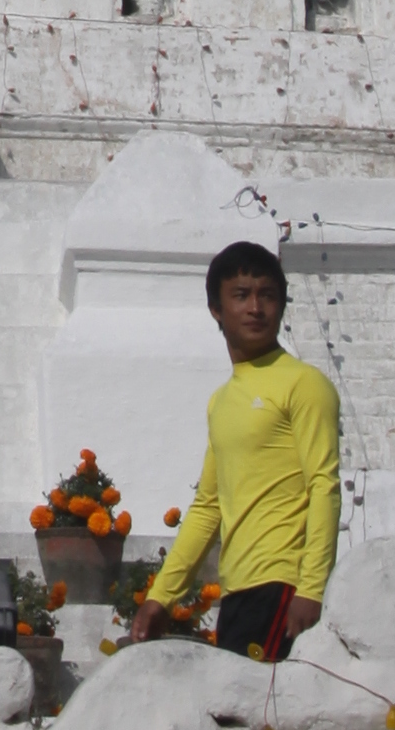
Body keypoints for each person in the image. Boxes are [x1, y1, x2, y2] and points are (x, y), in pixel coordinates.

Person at [127, 240, 340, 664]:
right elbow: (208, 507)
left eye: (267, 296)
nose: (256, 308)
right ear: (216, 310)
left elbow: (324, 485)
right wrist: (161, 597)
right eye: (241, 296)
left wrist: (311, 588)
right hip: (237, 591)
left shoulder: (304, 384)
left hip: (284, 585)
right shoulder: (221, 401)